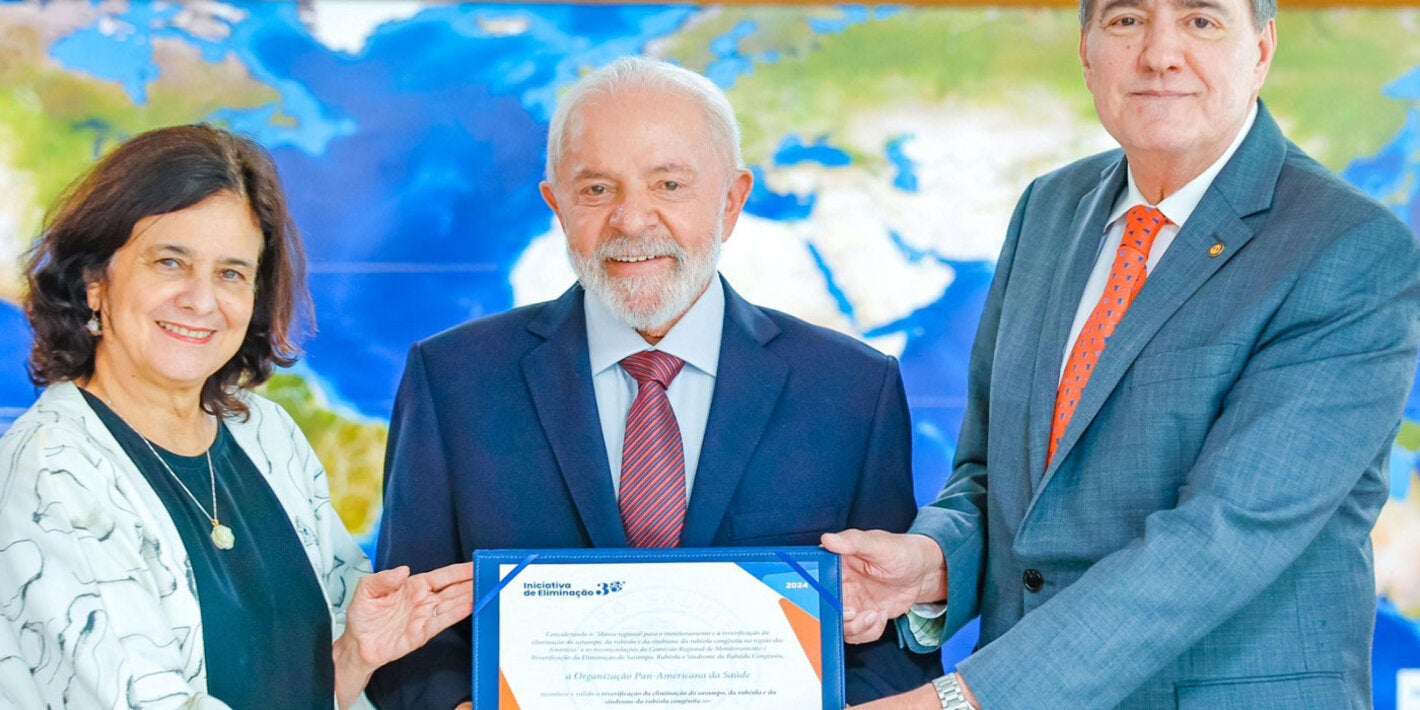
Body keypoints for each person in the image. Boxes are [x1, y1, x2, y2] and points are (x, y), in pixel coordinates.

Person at [822, 0, 1420, 707]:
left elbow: (1223, 538)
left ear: (1260, 50)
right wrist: (932, 564)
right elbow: (994, 476)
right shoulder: (1050, 208)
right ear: (1086, 50)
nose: (1160, 54)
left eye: (1201, 21)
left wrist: (965, 700)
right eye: (1127, 20)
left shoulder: (1349, 249)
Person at [367, 56, 942, 708]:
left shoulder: (851, 390)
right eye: (596, 190)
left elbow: (892, 647)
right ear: (556, 206)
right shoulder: (454, 381)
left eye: (669, 185)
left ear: (731, 201)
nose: (633, 221)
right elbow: (405, 634)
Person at [0, 124, 473, 708]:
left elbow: (318, 691)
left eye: (231, 273)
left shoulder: (265, 432)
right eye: (170, 262)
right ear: (94, 281)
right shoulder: (47, 473)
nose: (202, 300)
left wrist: (355, 654)